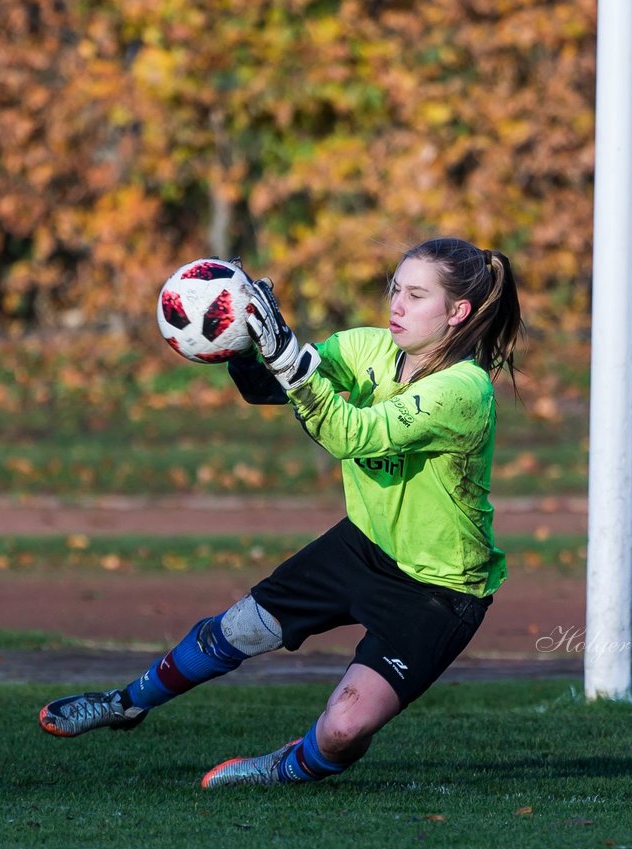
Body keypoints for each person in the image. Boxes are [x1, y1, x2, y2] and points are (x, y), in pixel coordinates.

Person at [39, 236, 523, 788]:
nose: (396, 304)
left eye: (415, 295)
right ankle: (126, 702)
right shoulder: (368, 349)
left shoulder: (464, 389)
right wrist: (248, 343)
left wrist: (287, 355)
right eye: (395, 289)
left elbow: (351, 434)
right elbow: (278, 386)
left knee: (343, 729)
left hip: (440, 590)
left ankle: (285, 768)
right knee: (239, 628)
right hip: (364, 545)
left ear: (457, 312)